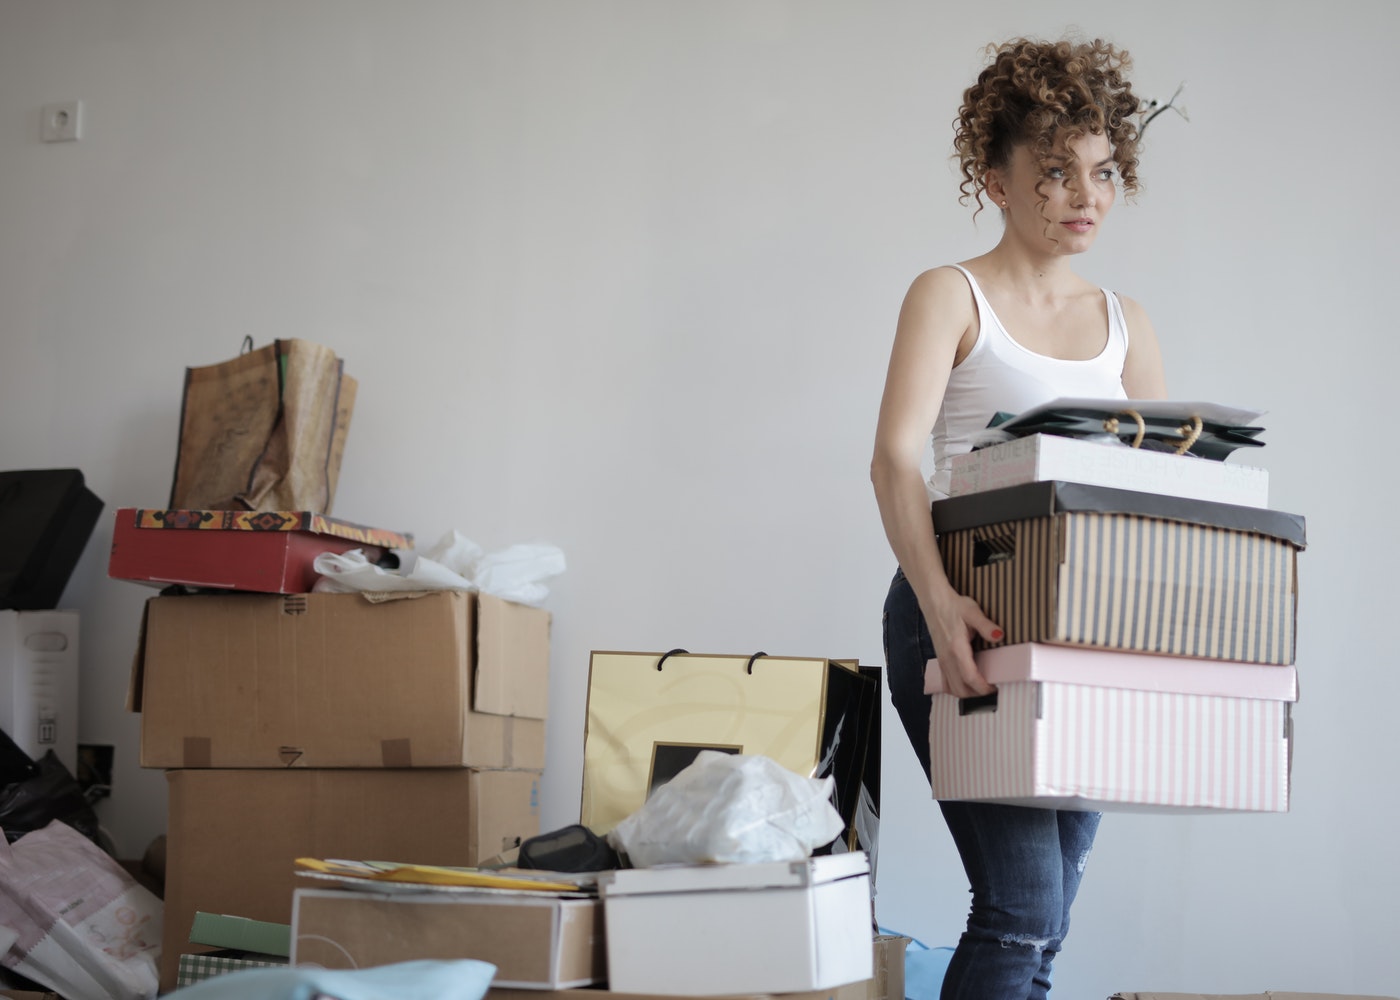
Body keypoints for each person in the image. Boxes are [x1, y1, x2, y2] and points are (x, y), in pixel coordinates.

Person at [870, 37, 1168, 1000]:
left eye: (1102, 171)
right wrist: (938, 601)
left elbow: (1157, 498)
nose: (1085, 195)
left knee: (1048, 915)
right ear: (995, 182)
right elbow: (894, 461)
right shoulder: (949, 294)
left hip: (1083, 631)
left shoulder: (1128, 322)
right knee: (1023, 906)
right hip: (964, 609)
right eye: (1053, 173)